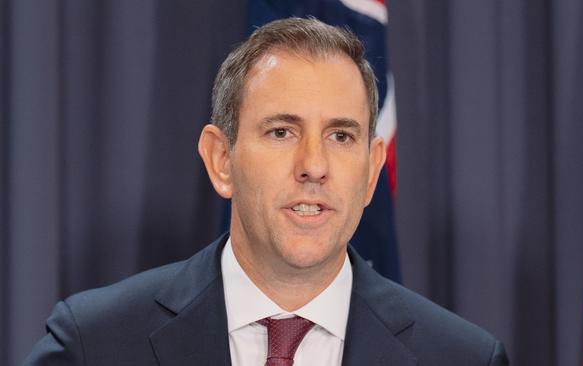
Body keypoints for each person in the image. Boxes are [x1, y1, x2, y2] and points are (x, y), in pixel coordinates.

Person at [24, 17, 508, 365]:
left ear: (372, 169)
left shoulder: (461, 356)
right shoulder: (94, 344)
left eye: (341, 136)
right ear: (221, 160)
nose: (314, 166)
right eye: (282, 132)